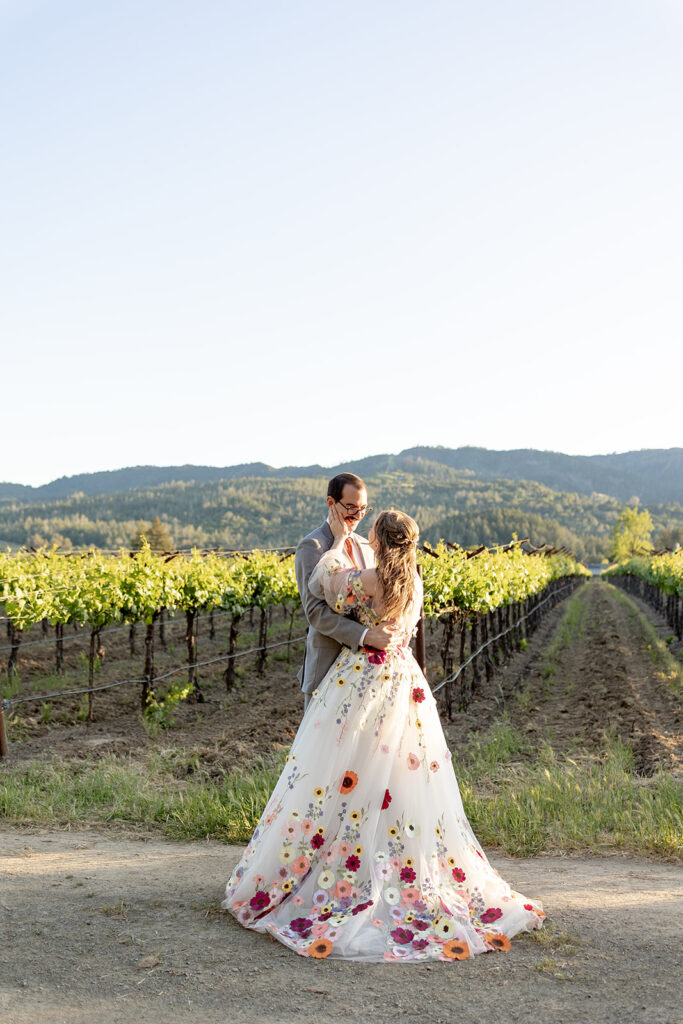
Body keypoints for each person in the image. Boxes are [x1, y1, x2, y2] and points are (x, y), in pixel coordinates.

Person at [221, 506, 546, 962]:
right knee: (397, 772)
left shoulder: (369, 581)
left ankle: (340, 870)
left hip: (361, 679)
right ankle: (393, 862)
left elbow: (323, 585)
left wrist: (337, 544)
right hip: (402, 680)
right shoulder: (413, 584)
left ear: (379, 539)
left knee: (344, 767)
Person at [294, 473, 399, 714]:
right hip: (328, 665)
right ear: (331, 503)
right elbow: (315, 613)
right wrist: (365, 636)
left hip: (368, 668)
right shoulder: (313, 546)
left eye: (364, 509)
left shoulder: (367, 544)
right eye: (351, 507)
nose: (358, 516)